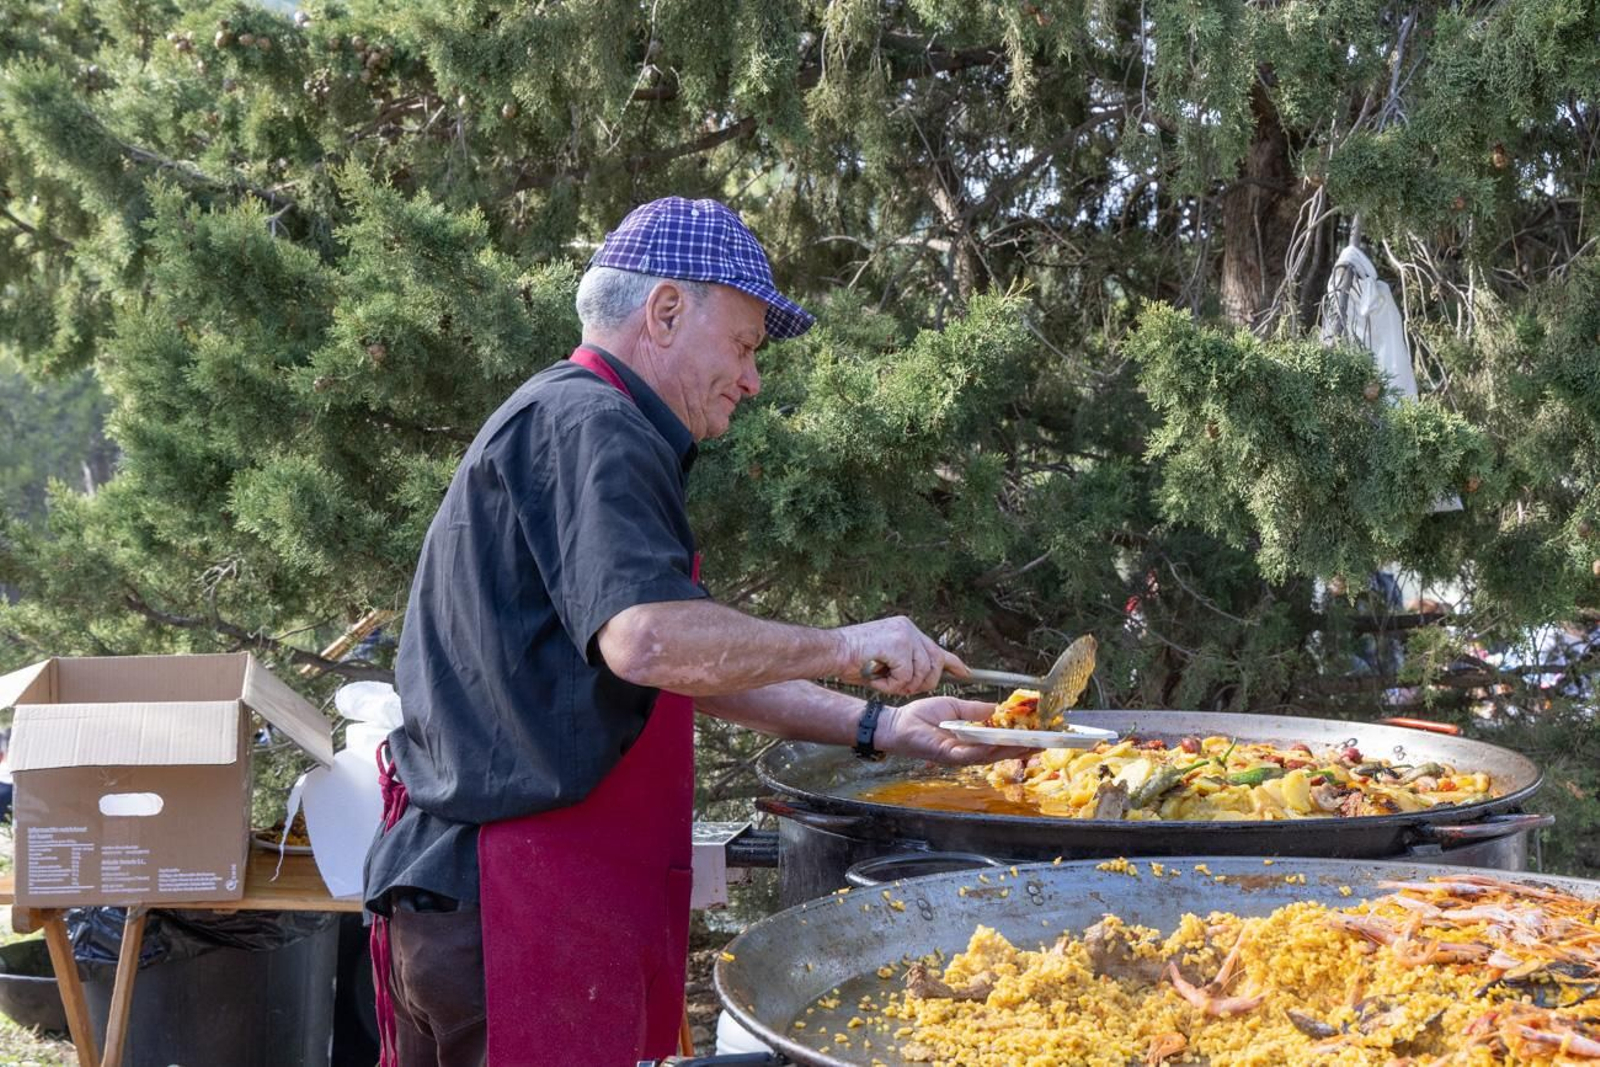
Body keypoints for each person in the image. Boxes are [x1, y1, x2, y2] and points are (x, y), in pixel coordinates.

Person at [363, 196, 1027, 1067]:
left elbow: (688, 663)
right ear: (667, 311)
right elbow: (648, 641)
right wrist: (846, 645)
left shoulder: (572, 420)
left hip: (490, 903)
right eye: (744, 346)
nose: (753, 379)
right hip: (514, 907)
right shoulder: (594, 424)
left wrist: (885, 725)